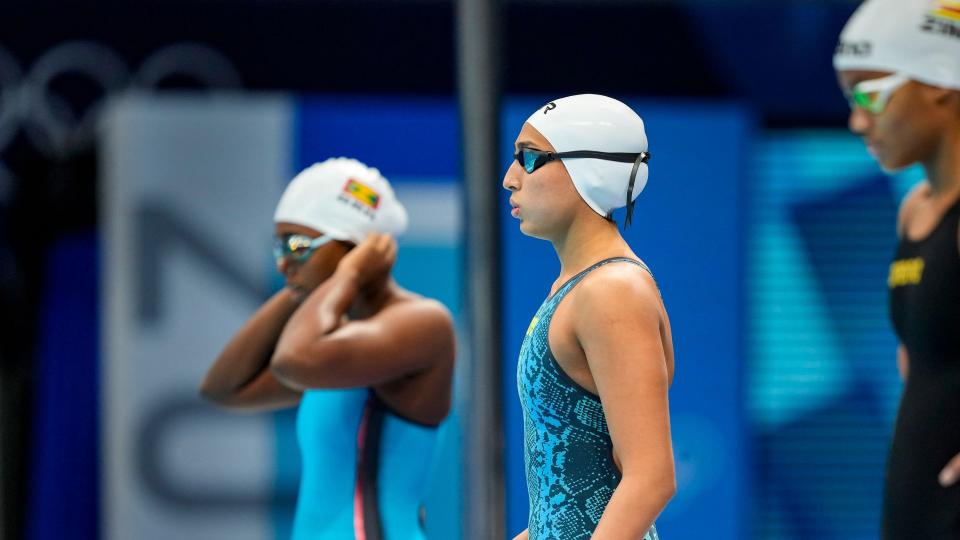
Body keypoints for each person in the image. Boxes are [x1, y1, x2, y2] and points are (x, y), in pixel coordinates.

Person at [199, 157, 456, 540]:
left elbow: (293, 360)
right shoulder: (336, 348)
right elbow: (224, 389)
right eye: (278, 247)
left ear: (356, 247)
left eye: (299, 245)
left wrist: (347, 274)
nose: (284, 263)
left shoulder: (422, 324)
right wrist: (302, 285)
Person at [503, 94, 675, 540]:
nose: (509, 178)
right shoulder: (577, 287)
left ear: (592, 169)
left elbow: (650, 478)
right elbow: (567, 498)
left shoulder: (612, 292)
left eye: (529, 158)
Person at [834, 1, 960, 537]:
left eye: (870, 93)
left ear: (940, 83)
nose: (857, 119)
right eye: (850, 98)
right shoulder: (916, 211)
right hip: (915, 496)